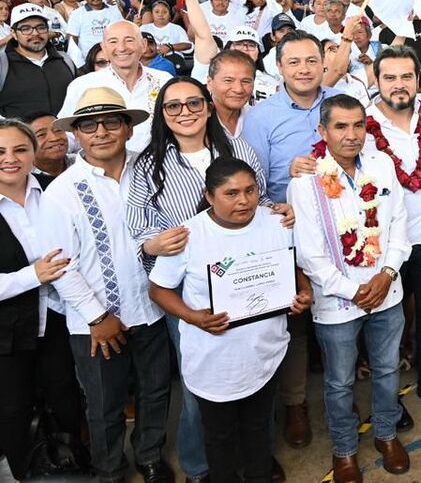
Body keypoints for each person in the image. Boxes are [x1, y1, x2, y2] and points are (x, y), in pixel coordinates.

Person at [126, 77, 278, 483]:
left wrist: (280, 210)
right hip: (186, 288)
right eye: (173, 106)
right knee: (203, 390)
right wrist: (156, 244)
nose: (185, 112)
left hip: (246, 278)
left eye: (193, 102)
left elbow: (257, 201)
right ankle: (201, 467)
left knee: (255, 371)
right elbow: (138, 228)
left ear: (208, 106)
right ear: (162, 115)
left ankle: (256, 458)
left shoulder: (238, 149)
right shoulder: (149, 163)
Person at [148, 158, 313, 483]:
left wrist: (304, 291)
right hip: (215, 360)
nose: (244, 200)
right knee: (219, 435)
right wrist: (195, 317)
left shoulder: (275, 222)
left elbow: (292, 266)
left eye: (250, 190)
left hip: (264, 352)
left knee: (258, 424)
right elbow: (158, 290)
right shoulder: (189, 235)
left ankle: (259, 474)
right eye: (231, 193)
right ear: (209, 196)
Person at [41, 88, 174, 483]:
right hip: (95, 323)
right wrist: (98, 317)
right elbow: (60, 266)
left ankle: (149, 456)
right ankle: (110, 470)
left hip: (152, 308)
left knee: (156, 391)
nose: (101, 132)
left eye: (111, 121)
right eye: (88, 125)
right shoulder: (62, 192)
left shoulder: (153, 169)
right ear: (76, 135)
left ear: (129, 129)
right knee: (103, 404)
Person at [290, 95, 412, 482]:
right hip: (336, 303)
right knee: (339, 381)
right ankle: (344, 449)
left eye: (358, 125)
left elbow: (399, 226)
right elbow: (310, 255)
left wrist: (386, 273)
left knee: (388, 369)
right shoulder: (306, 183)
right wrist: (354, 289)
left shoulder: (382, 165)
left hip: (387, 292)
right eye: (340, 126)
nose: (351, 134)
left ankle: (387, 434)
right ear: (322, 131)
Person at [243, 31, 340, 448]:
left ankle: (344, 395)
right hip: (286, 230)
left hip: (343, 228)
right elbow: (254, 184)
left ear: (323, 64)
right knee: (295, 320)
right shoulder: (261, 116)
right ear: (279, 67)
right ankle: (296, 403)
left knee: (342, 313)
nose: (303, 69)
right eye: (294, 62)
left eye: (311, 61)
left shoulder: (340, 101)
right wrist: (283, 199)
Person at [365, 46, 421, 417]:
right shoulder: (363, 124)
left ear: (419, 79)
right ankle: (387, 400)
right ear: (377, 81)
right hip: (384, 242)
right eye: (390, 77)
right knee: (386, 319)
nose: (399, 85)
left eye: (407, 77)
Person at [0, 117, 86, 481]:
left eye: (20, 149)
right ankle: (23, 469)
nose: (10, 158)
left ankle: (72, 459)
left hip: (58, 315)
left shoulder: (57, 190)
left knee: (65, 391)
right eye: (0, 151)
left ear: (34, 152)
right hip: (7, 328)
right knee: (13, 404)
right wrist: (31, 275)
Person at [58, 20, 173, 153]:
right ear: (104, 48)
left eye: (129, 40)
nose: (122, 48)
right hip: (104, 169)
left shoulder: (164, 80)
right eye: (113, 41)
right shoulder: (82, 85)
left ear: (143, 45)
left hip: (160, 166)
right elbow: (69, 136)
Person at [0, 3, 76, 118]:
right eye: (26, 28)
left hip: (64, 135)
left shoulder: (65, 60)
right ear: (14, 34)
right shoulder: (2, 64)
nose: (35, 33)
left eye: (41, 27)